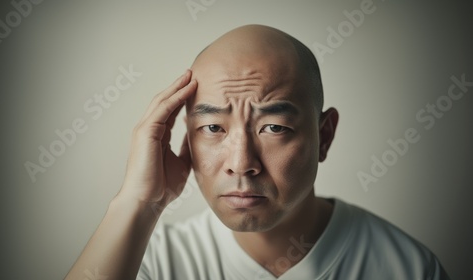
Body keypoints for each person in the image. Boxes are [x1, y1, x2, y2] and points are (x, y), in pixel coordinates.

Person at [65, 24, 449, 280]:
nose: (241, 164)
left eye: (274, 128)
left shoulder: (408, 268)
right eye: (213, 128)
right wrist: (137, 202)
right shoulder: (149, 260)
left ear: (324, 136)